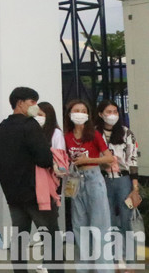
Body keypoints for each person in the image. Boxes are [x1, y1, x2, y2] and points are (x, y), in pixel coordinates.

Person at [0, 87, 61, 273]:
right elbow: (44, 159)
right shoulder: (30, 125)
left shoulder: (0, 128)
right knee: (51, 237)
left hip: (13, 194)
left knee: (19, 238)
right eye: (32, 102)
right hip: (36, 193)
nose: (35, 107)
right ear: (20, 103)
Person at [64, 99, 114, 268]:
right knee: (80, 227)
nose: (80, 113)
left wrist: (89, 159)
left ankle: (104, 268)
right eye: (76, 110)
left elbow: (109, 158)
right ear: (70, 114)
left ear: (88, 115)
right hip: (75, 179)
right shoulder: (67, 136)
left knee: (100, 225)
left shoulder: (94, 134)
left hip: (93, 178)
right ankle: (83, 268)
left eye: (83, 110)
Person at [94, 99, 142, 266]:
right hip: (102, 180)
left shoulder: (125, 132)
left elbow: (133, 159)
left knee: (125, 220)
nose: (112, 115)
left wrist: (134, 187)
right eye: (108, 112)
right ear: (100, 114)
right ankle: (114, 258)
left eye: (115, 112)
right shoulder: (94, 133)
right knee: (108, 220)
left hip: (123, 180)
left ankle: (129, 260)